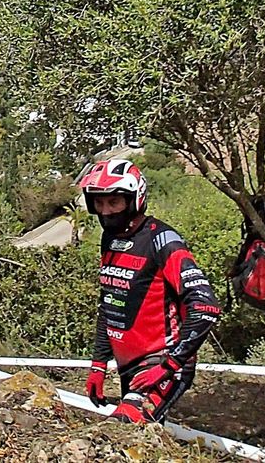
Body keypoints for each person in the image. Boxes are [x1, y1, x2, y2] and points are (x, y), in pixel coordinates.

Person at [78, 157, 221, 424]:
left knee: (118, 434)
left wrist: (170, 366)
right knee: (142, 444)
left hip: (162, 363)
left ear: (134, 199)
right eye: (99, 202)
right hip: (128, 365)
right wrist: (98, 364)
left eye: (114, 202)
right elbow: (109, 302)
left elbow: (205, 308)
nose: (106, 211)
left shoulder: (163, 240)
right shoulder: (110, 239)